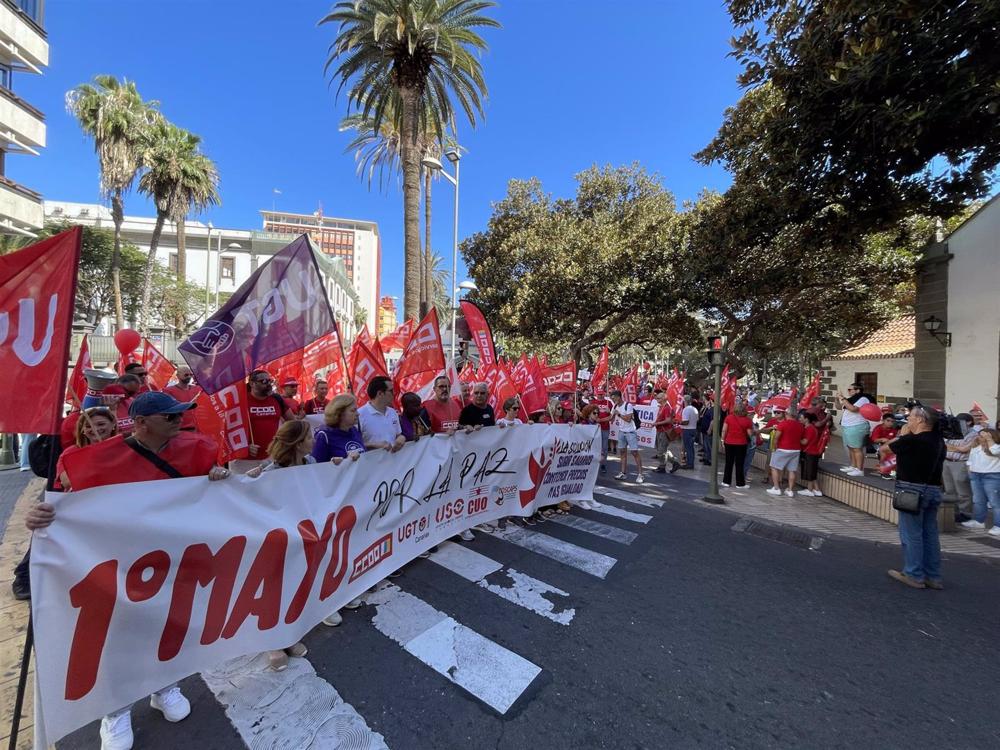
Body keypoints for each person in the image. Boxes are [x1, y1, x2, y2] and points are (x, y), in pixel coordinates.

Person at [27, 391, 229, 750]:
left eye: (179, 414)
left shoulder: (199, 450)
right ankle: (115, 712)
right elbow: (62, 508)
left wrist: (217, 477)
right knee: (117, 639)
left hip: (174, 563)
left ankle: (164, 687)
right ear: (140, 423)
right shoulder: (87, 460)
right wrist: (40, 516)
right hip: (117, 567)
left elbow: (212, 495)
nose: (178, 420)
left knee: (167, 630)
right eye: (169, 417)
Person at [245, 421, 313, 668]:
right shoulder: (270, 472)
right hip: (277, 539)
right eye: (310, 437)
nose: (314, 440)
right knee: (273, 588)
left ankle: (290, 634)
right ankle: (272, 643)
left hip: (303, 535)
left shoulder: (314, 464)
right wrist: (248, 480)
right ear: (297, 443)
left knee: (294, 585)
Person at [885, 406, 946, 589]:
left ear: (920, 420)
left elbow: (885, 449)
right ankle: (933, 576)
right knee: (930, 534)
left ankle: (913, 574)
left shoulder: (913, 440)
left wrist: (903, 435)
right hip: (934, 489)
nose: (907, 420)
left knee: (912, 534)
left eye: (910, 417)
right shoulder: (938, 440)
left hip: (911, 489)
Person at [422, 376, 475, 540]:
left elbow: (457, 425)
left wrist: (464, 428)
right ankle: (434, 531)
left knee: (455, 494)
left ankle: (458, 526)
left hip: (455, 459)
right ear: (434, 389)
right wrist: (442, 435)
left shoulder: (456, 405)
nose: (444, 389)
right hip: (434, 460)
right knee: (436, 497)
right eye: (441, 386)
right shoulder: (426, 406)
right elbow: (423, 434)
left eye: (447, 386)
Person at [246, 369, 301, 459]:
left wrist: (284, 441)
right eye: (264, 381)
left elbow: (293, 423)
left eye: (269, 381)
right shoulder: (241, 401)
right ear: (252, 384)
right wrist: (244, 447)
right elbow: (227, 430)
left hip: (272, 457)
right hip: (245, 461)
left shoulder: (276, 399)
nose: (268, 384)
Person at [961, 428, 1000, 535]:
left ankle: (998, 526)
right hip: (976, 475)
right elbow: (970, 459)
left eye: (983, 435)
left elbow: (995, 451)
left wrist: (989, 439)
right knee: (978, 500)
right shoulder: (976, 446)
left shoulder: (996, 446)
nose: (979, 437)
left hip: (992, 476)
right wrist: (970, 470)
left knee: (995, 502)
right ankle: (978, 521)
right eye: (979, 435)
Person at [943, 412, 980, 523]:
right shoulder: (952, 432)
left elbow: (964, 449)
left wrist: (954, 448)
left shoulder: (973, 434)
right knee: (949, 489)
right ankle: (952, 512)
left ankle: (965, 513)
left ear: (968, 422)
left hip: (960, 463)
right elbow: (944, 445)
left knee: (962, 489)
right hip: (947, 461)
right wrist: (957, 448)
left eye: (960, 421)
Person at [358, 376, 406, 452]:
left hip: (395, 462)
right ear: (380, 393)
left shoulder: (393, 412)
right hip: (371, 463)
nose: (394, 393)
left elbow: (398, 435)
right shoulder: (359, 415)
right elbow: (354, 445)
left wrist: (401, 438)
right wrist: (373, 445)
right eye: (391, 391)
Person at [766, 408, 806, 497]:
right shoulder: (800, 425)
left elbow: (776, 437)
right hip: (796, 450)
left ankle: (776, 488)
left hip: (782, 448)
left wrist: (774, 447)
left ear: (786, 413)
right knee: (792, 470)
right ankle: (790, 490)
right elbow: (801, 438)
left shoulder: (783, 424)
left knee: (774, 467)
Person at [837, 383, 872, 476]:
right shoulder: (850, 400)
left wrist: (843, 399)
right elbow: (838, 407)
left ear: (858, 390)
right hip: (848, 426)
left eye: (850, 389)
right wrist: (837, 399)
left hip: (857, 426)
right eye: (848, 389)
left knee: (857, 448)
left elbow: (853, 409)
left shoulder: (863, 398)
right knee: (851, 447)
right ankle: (853, 466)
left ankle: (859, 469)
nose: (848, 391)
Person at [610, 390, 643, 483]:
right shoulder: (615, 406)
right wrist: (599, 419)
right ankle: (623, 473)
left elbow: (628, 419)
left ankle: (640, 474)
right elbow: (611, 418)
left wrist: (618, 414)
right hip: (621, 432)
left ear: (618, 397)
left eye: (614, 398)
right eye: (612, 398)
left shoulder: (628, 405)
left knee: (635, 452)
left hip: (630, 432)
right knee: (622, 453)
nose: (613, 400)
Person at [721, 403, 753, 488]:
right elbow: (750, 434)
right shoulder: (748, 420)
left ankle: (726, 482)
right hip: (741, 444)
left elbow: (724, 430)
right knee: (739, 464)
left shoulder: (729, 418)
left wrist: (722, 439)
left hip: (729, 442)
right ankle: (740, 483)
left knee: (728, 462)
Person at [162, 365, 201, 431]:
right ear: (178, 376)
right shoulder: (168, 391)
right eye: (186, 375)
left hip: (197, 427)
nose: (189, 377)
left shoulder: (197, 389)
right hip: (180, 428)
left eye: (191, 374)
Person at [651, 389, 681, 474]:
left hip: (664, 431)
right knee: (661, 449)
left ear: (664, 398)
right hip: (660, 430)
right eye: (657, 398)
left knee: (661, 450)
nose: (657, 400)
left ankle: (662, 467)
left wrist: (657, 423)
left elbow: (668, 420)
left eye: (659, 398)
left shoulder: (667, 408)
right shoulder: (662, 407)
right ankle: (674, 463)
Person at [799, 412, 824, 496]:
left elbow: (805, 441)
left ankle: (809, 490)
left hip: (810, 452)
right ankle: (817, 489)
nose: (799, 419)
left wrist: (796, 438)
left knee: (809, 471)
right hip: (812, 452)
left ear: (806, 419)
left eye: (801, 417)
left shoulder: (810, 429)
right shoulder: (809, 427)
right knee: (812, 471)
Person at [589, 390, 613, 473]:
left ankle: (603, 464)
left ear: (604, 394)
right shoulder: (593, 402)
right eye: (599, 394)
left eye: (602, 394)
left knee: (604, 447)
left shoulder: (608, 402)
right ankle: (593, 463)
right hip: (594, 428)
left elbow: (612, 417)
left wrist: (609, 412)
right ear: (596, 394)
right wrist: (596, 421)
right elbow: (589, 415)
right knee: (593, 446)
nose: (600, 396)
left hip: (605, 428)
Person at [870, 412, 899, 479]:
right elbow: (875, 440)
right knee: (884, 452)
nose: (890, 423)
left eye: (892, 421)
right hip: (877, 444)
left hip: (889, 445)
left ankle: (892, 470)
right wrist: (882, 439)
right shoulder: (878, 428)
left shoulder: (894, 430)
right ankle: (882, 470)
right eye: (888, 421)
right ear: (883, 421)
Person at [679, 395, 699, 470]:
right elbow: (697, 419)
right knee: (690, 448)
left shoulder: (686, 409)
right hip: (693, 429)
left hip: (688, 430)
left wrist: (679, 422)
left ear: (685, 401)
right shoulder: (694, 409)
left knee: (688, 448)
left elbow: (686, 422)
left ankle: (690, 464)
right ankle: (690, 462)